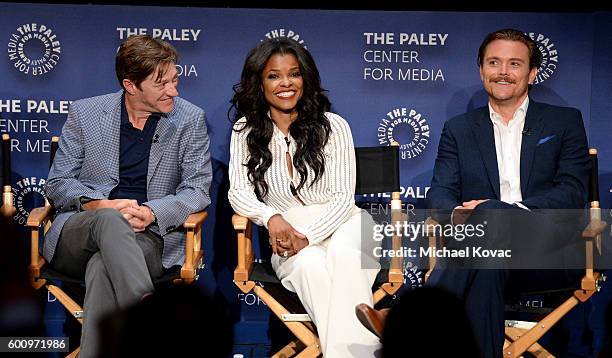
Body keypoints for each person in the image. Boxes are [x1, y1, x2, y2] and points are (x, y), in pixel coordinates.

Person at [356, 28, 590, 358]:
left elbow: (572, 193)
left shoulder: (564, 122)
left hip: (547, 253)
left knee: (491, 218)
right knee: (487, 264)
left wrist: (499, 211)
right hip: (484, 254)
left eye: (514, 64)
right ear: (482, 71)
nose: (503, 72)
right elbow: (440, 194)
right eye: (494, 63)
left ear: (533, 72)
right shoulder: (460, 130)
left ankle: (409, 318)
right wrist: (458, 215)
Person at [44, 35, 212, 357]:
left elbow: (197, 189)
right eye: (162, 84)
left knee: (101, 267)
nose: (173, 91)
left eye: (175, 80)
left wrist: (151, 212)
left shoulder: (188, 119)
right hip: (81, 231)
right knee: (108, 219)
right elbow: (58, 183)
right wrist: (97, 204)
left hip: (146, 237)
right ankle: (151, 322)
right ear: (131, 85)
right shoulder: (86, 113)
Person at [228, 37, 380, 357]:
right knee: (310, 265)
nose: (286, 83)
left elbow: (342, 199)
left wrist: (307, 236)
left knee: (345, 255)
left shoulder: (333, 126)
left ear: (305, 79)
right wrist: (271, 217)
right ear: (260, 82)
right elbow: (239, 191)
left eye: (294, 74)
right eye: (274, 75)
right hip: (288, 236)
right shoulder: (245, 130)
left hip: (349, 224)